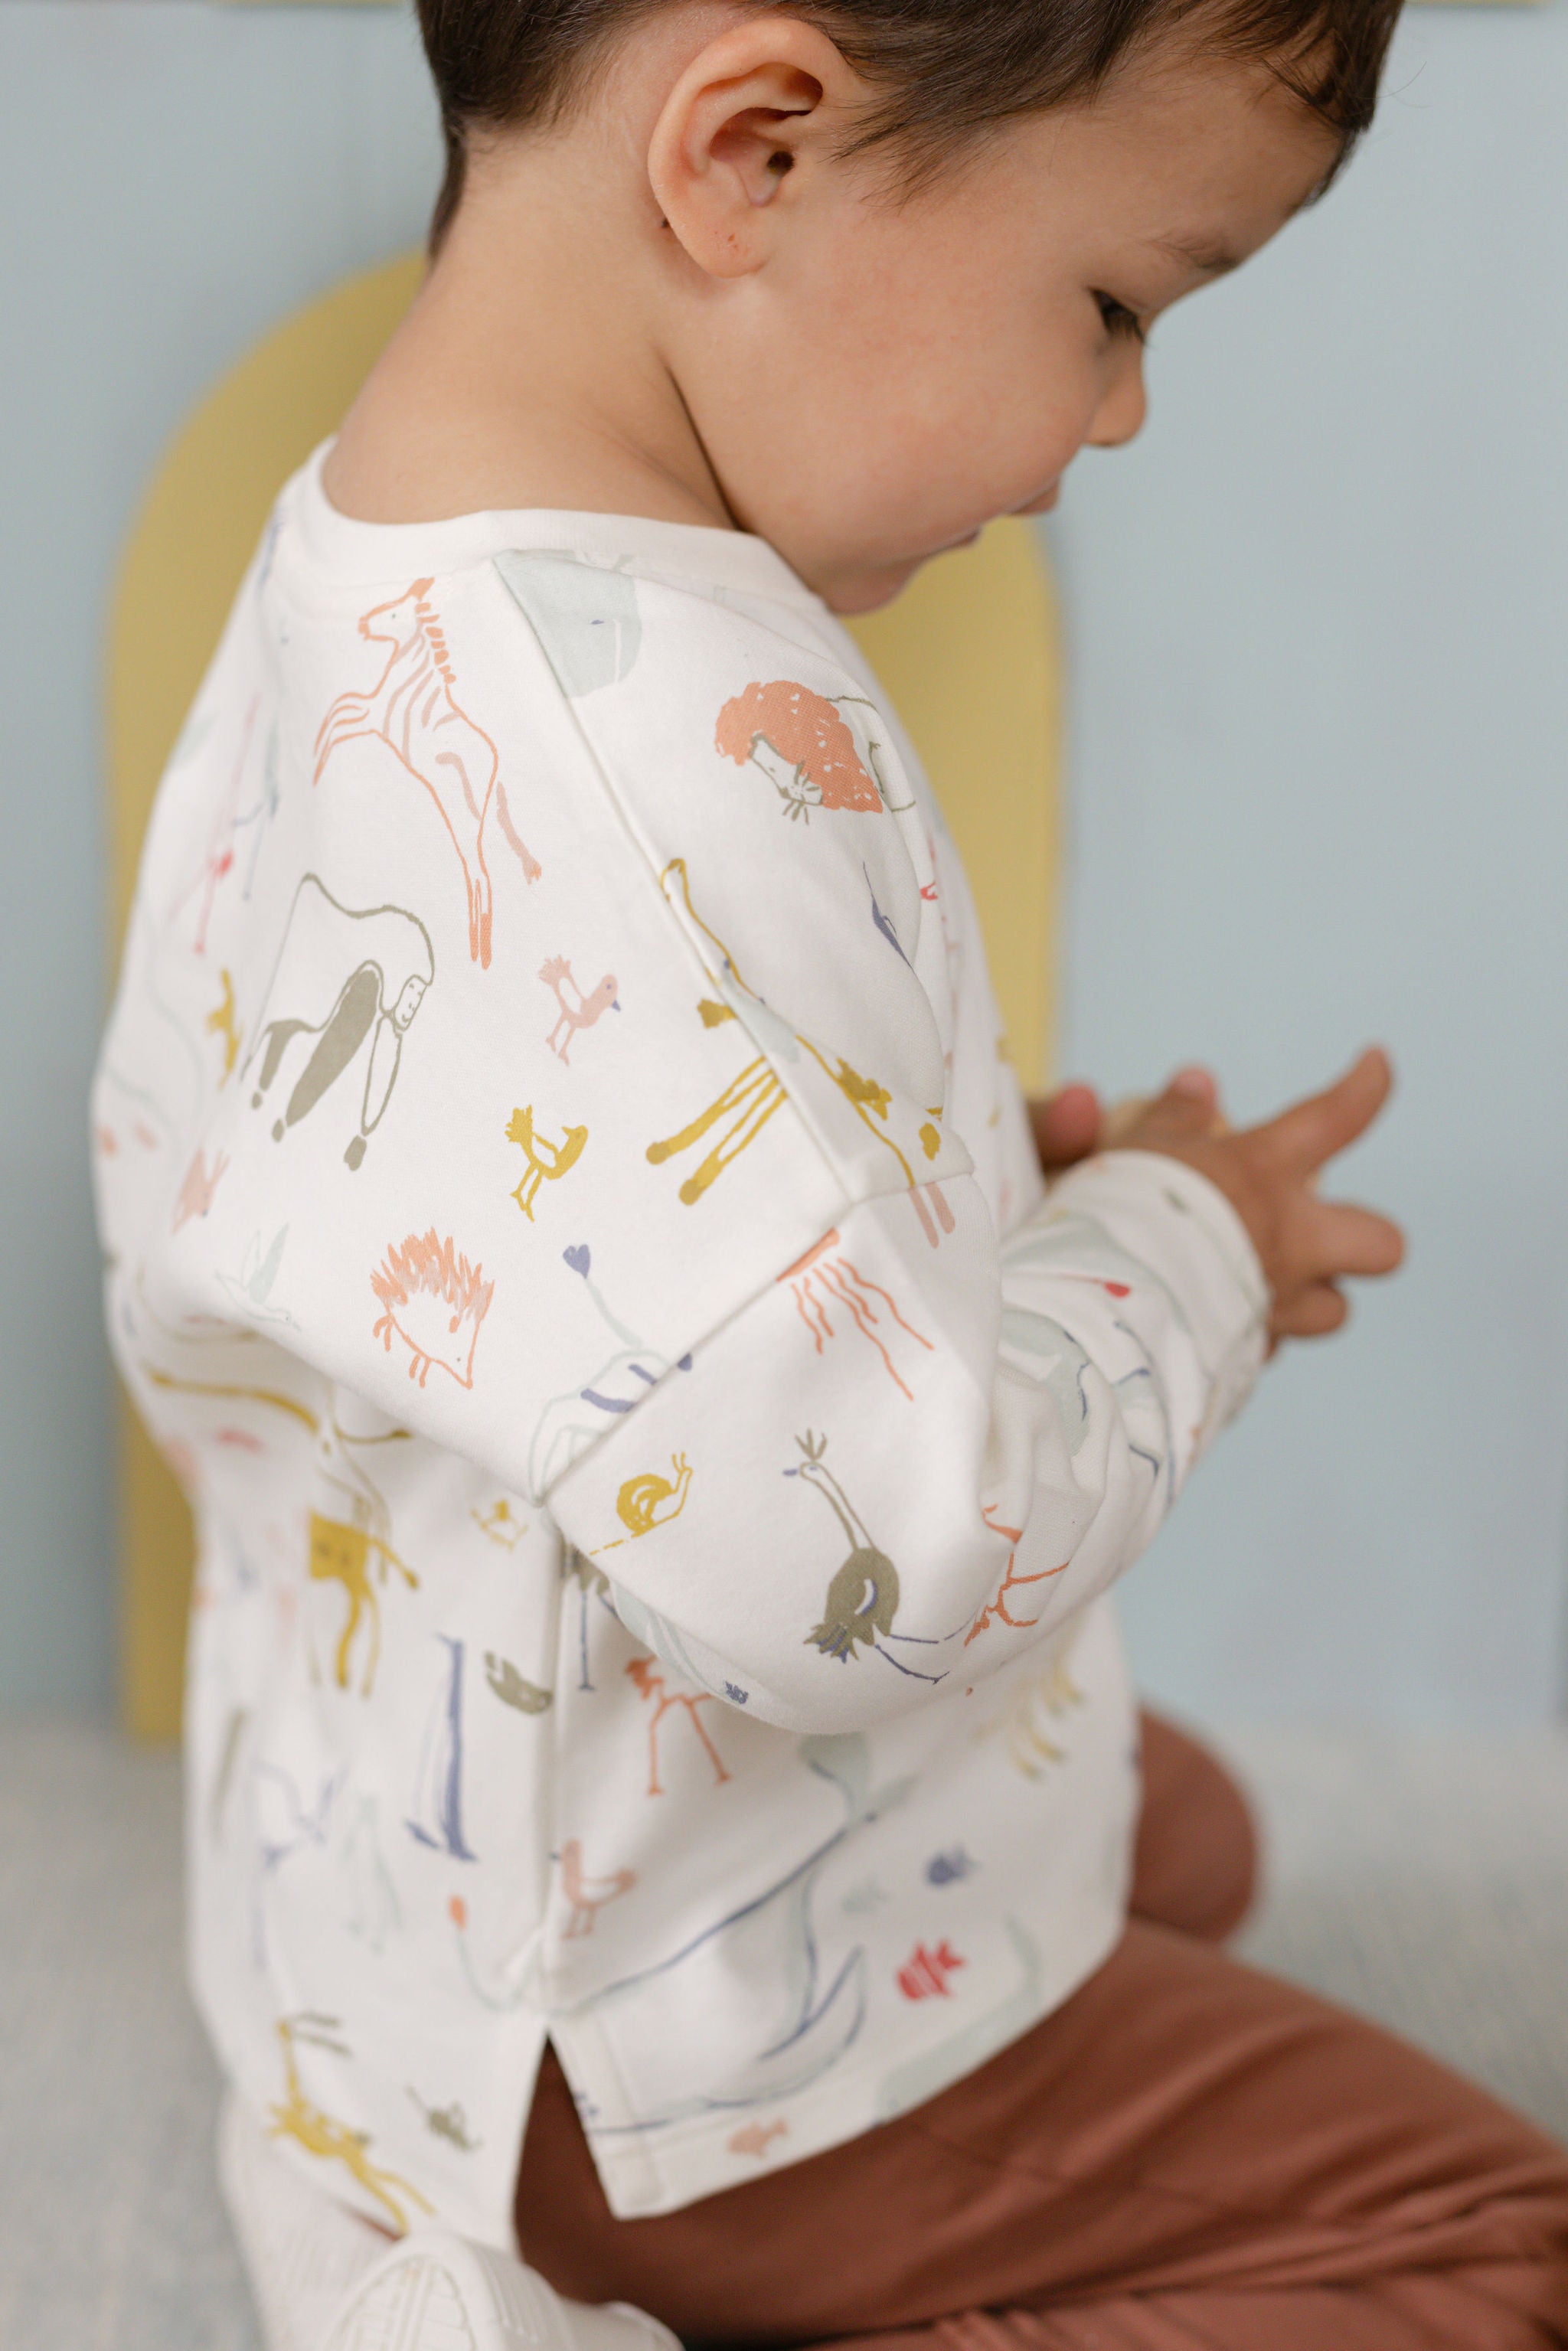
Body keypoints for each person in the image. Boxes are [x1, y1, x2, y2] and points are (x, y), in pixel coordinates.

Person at [91, 0, 1568, 2343]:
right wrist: (1182, 1255)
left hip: (390, 1878)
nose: (1122, 413)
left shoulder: (366, 576)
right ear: (756, 151)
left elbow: (451, 1233)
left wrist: (956, 1225)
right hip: (654, 2041)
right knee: (1498, 2248)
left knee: (1181, 1826)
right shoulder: (651, 770)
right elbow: (885, 1561)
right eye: (1114, 305)